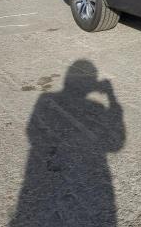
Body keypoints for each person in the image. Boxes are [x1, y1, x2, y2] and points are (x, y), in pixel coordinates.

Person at [9, 60, 125, 227]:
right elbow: (115, 145)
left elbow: (31, 131)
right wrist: (111, 97)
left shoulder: (46, 97)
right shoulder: (96, 105)